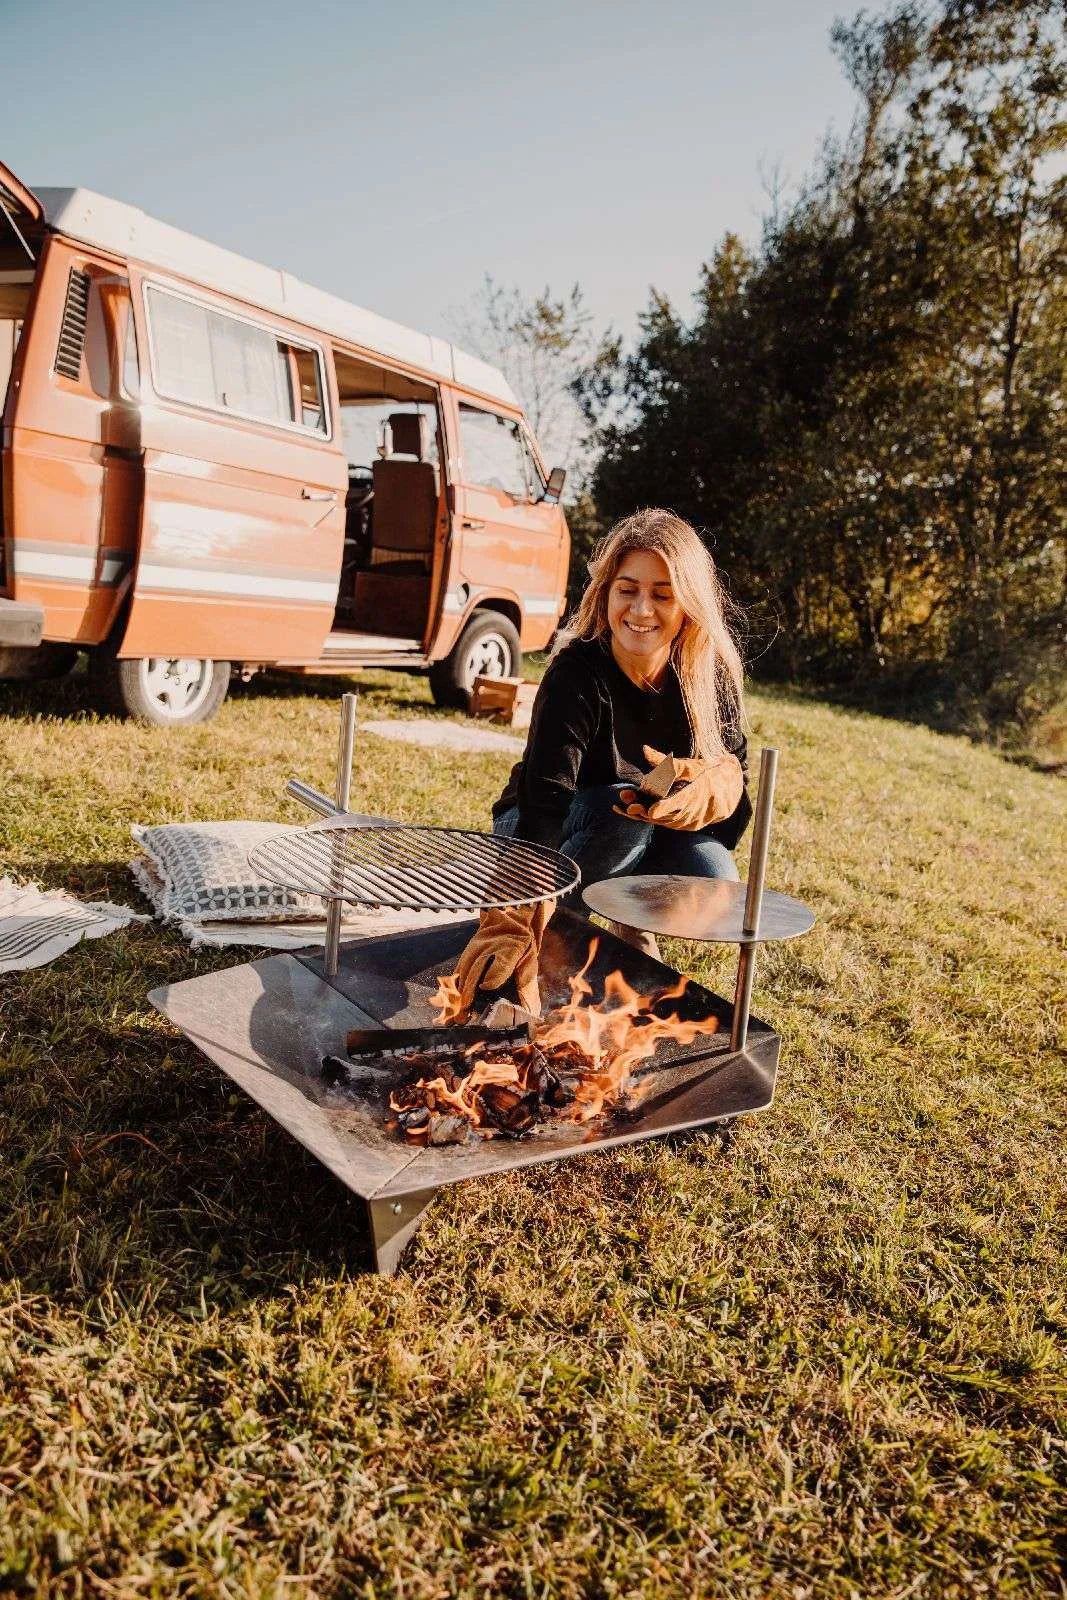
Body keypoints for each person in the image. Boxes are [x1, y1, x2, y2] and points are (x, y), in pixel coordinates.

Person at [455, 508, 751, 1015]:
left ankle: (625, 923)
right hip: (539, 826)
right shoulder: (577, 672)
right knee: (623, 813)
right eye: (627, 589)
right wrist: (517, 908)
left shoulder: (707, 673)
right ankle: (550, 937)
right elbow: (544, 799)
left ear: (688, 603)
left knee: (712, 871)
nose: (641, 609)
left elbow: (736, 808)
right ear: (606, 593)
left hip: (638, 826)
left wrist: (714, 790)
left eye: (662, 594)